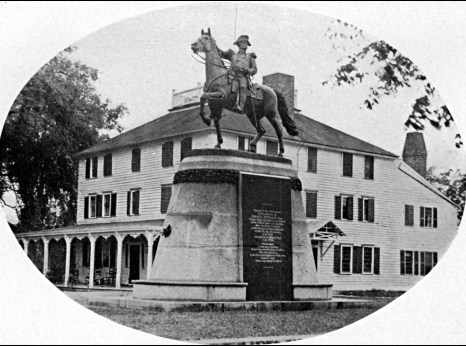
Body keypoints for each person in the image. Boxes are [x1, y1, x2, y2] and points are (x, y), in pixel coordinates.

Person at [218, 35, 257, 113]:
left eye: (246, 43)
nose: (245, 44)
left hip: (243, 76)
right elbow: (221, 53)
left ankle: (240, 106)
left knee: (242, 87)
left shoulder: (250, 56)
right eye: (243, 42)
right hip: (232, 75)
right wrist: (214, 45)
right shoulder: (232, 54)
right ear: (238, 44)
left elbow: (254, 69)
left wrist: (248, 70)